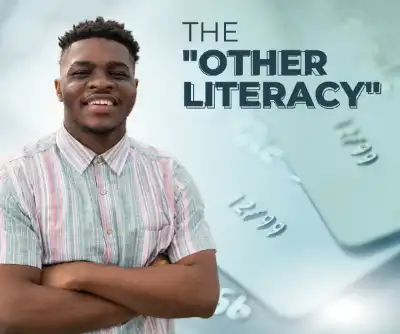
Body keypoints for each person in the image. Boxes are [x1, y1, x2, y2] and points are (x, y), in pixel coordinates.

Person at [0, 17, 219, 333]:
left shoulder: (170, 175)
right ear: (58, 88)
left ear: (135, 87)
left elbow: (202, 295)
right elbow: (11, 312)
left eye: (118, 73)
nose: (101, 83)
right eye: (81, 73)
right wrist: (154, 291)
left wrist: (79, 275)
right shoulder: (16, 178)